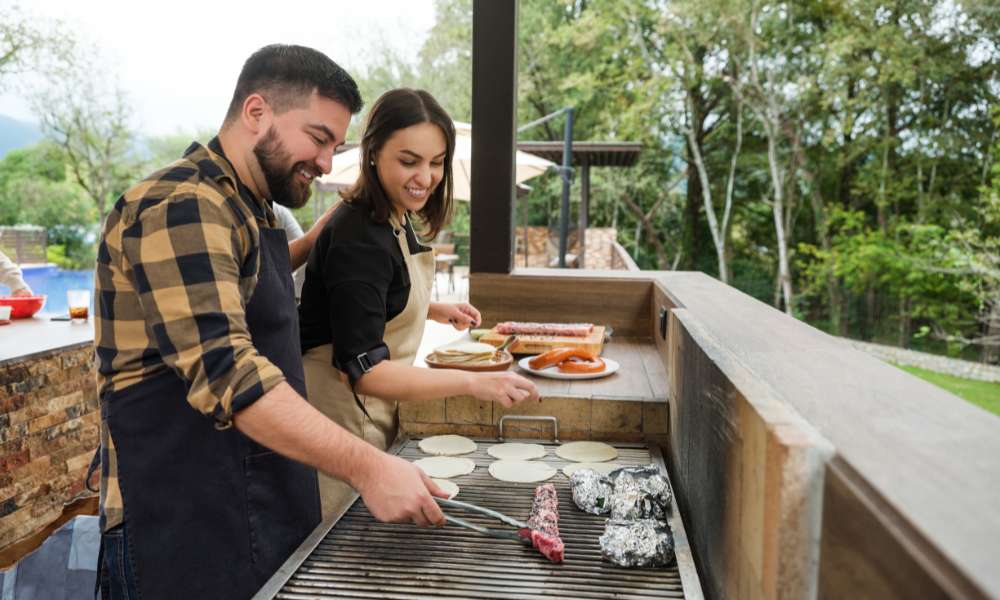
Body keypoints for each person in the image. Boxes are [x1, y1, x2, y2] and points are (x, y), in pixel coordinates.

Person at [93, 46, 449, 600]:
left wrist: (310, 241)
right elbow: (228, 373)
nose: (329, 162)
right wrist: (369, 468)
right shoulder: (180, 204)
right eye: (318, 138)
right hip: (178, 519)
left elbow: (247, 282)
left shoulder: (250, 206)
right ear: (256, 112)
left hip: (250, 497)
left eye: (335, 145)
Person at [298, 88, 539, 516]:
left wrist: (432, 309)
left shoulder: (395, 214)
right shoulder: (359, 235)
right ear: (372, 153)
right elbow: (366, 372)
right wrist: (473, 381)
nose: (425, 177)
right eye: (409, 161)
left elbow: (370, 297)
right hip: (339, 418)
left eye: (437, 162)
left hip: (369, 414)